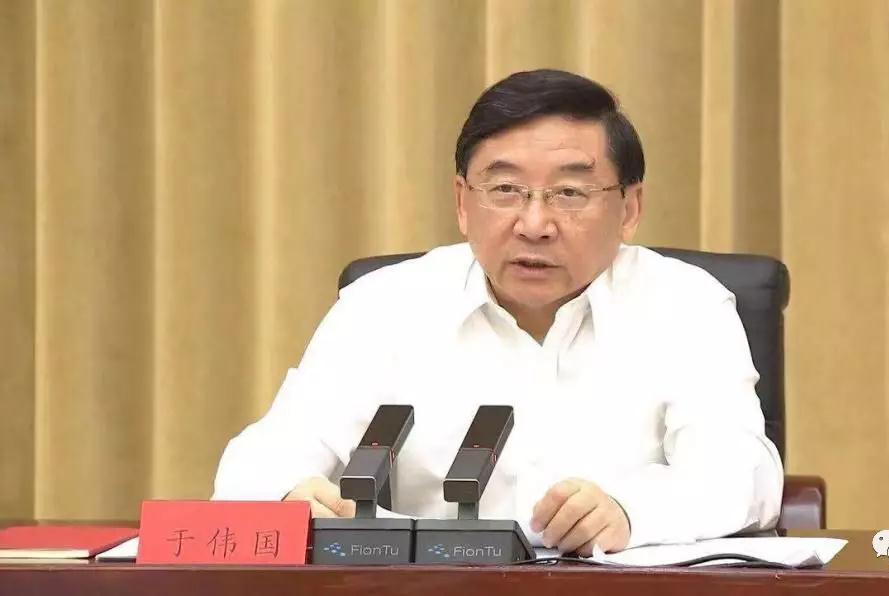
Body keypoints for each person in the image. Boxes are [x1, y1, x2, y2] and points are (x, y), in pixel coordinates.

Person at [213, 69, 783, 555]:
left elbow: (742, 475)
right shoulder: (384, 306)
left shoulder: (685, 305)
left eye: (570, 193)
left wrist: (629, 513)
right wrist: (288, 497)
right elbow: (260, 462)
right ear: (463, 203)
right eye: (506, 190)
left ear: (629, 208)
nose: (534, 224)